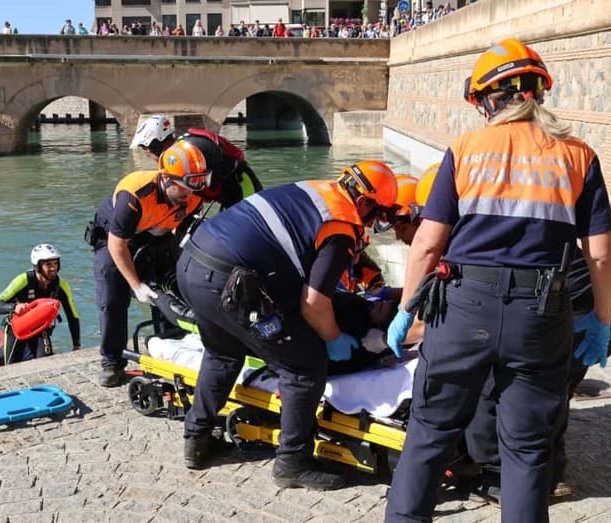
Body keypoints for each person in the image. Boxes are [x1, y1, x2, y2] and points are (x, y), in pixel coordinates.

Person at [384, 38, 611, 522]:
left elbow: (428, 245)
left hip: (462, 308)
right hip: (541, 314)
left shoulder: (465, 150)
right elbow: (600, 251)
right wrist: (598, 317)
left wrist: (407, 308)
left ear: (487, 99)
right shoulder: (578, 156)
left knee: (429, 433)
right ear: (538, 91)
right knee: (528, 449)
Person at [176, 160, 399, 489]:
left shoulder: (314, 191)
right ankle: (293, 463)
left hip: (191, 264)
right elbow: (314, 303)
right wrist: (334, 338)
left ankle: (197, 441)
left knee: (223, 352)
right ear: (364, 201)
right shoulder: (341, 223)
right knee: (305, 367)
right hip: (230, 281)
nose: (373, 224)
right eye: (377, 215)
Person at [89, 141, 209, 387]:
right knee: (113, 298)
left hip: (158, 234)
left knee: (169, 289)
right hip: (115, 238)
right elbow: (117, 246)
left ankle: (169, 344)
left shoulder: (193, 194)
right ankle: (112, 362)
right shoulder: (135, 193)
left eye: (193, 188)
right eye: (183, 189)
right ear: (166, 180)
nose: (189, 195)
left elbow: (181, 235)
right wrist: (136, 285)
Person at [130, 114, 263, 209]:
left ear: (155, 145)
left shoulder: (193, 148)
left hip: (242, 186)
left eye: (146, 149)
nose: (147, 155)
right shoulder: (178, 157)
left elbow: (230, 164)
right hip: (226, 195)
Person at [0, 244, 81, 365]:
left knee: (46, 363)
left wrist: (76, 345)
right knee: (11, 368)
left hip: (40, 329)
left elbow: (73, 316)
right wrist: (15, 307)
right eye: (48, 265)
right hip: (16, 329)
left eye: (55, 264)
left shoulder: (61, 286)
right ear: (38, 266)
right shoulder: (23, 280)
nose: (53, 268)